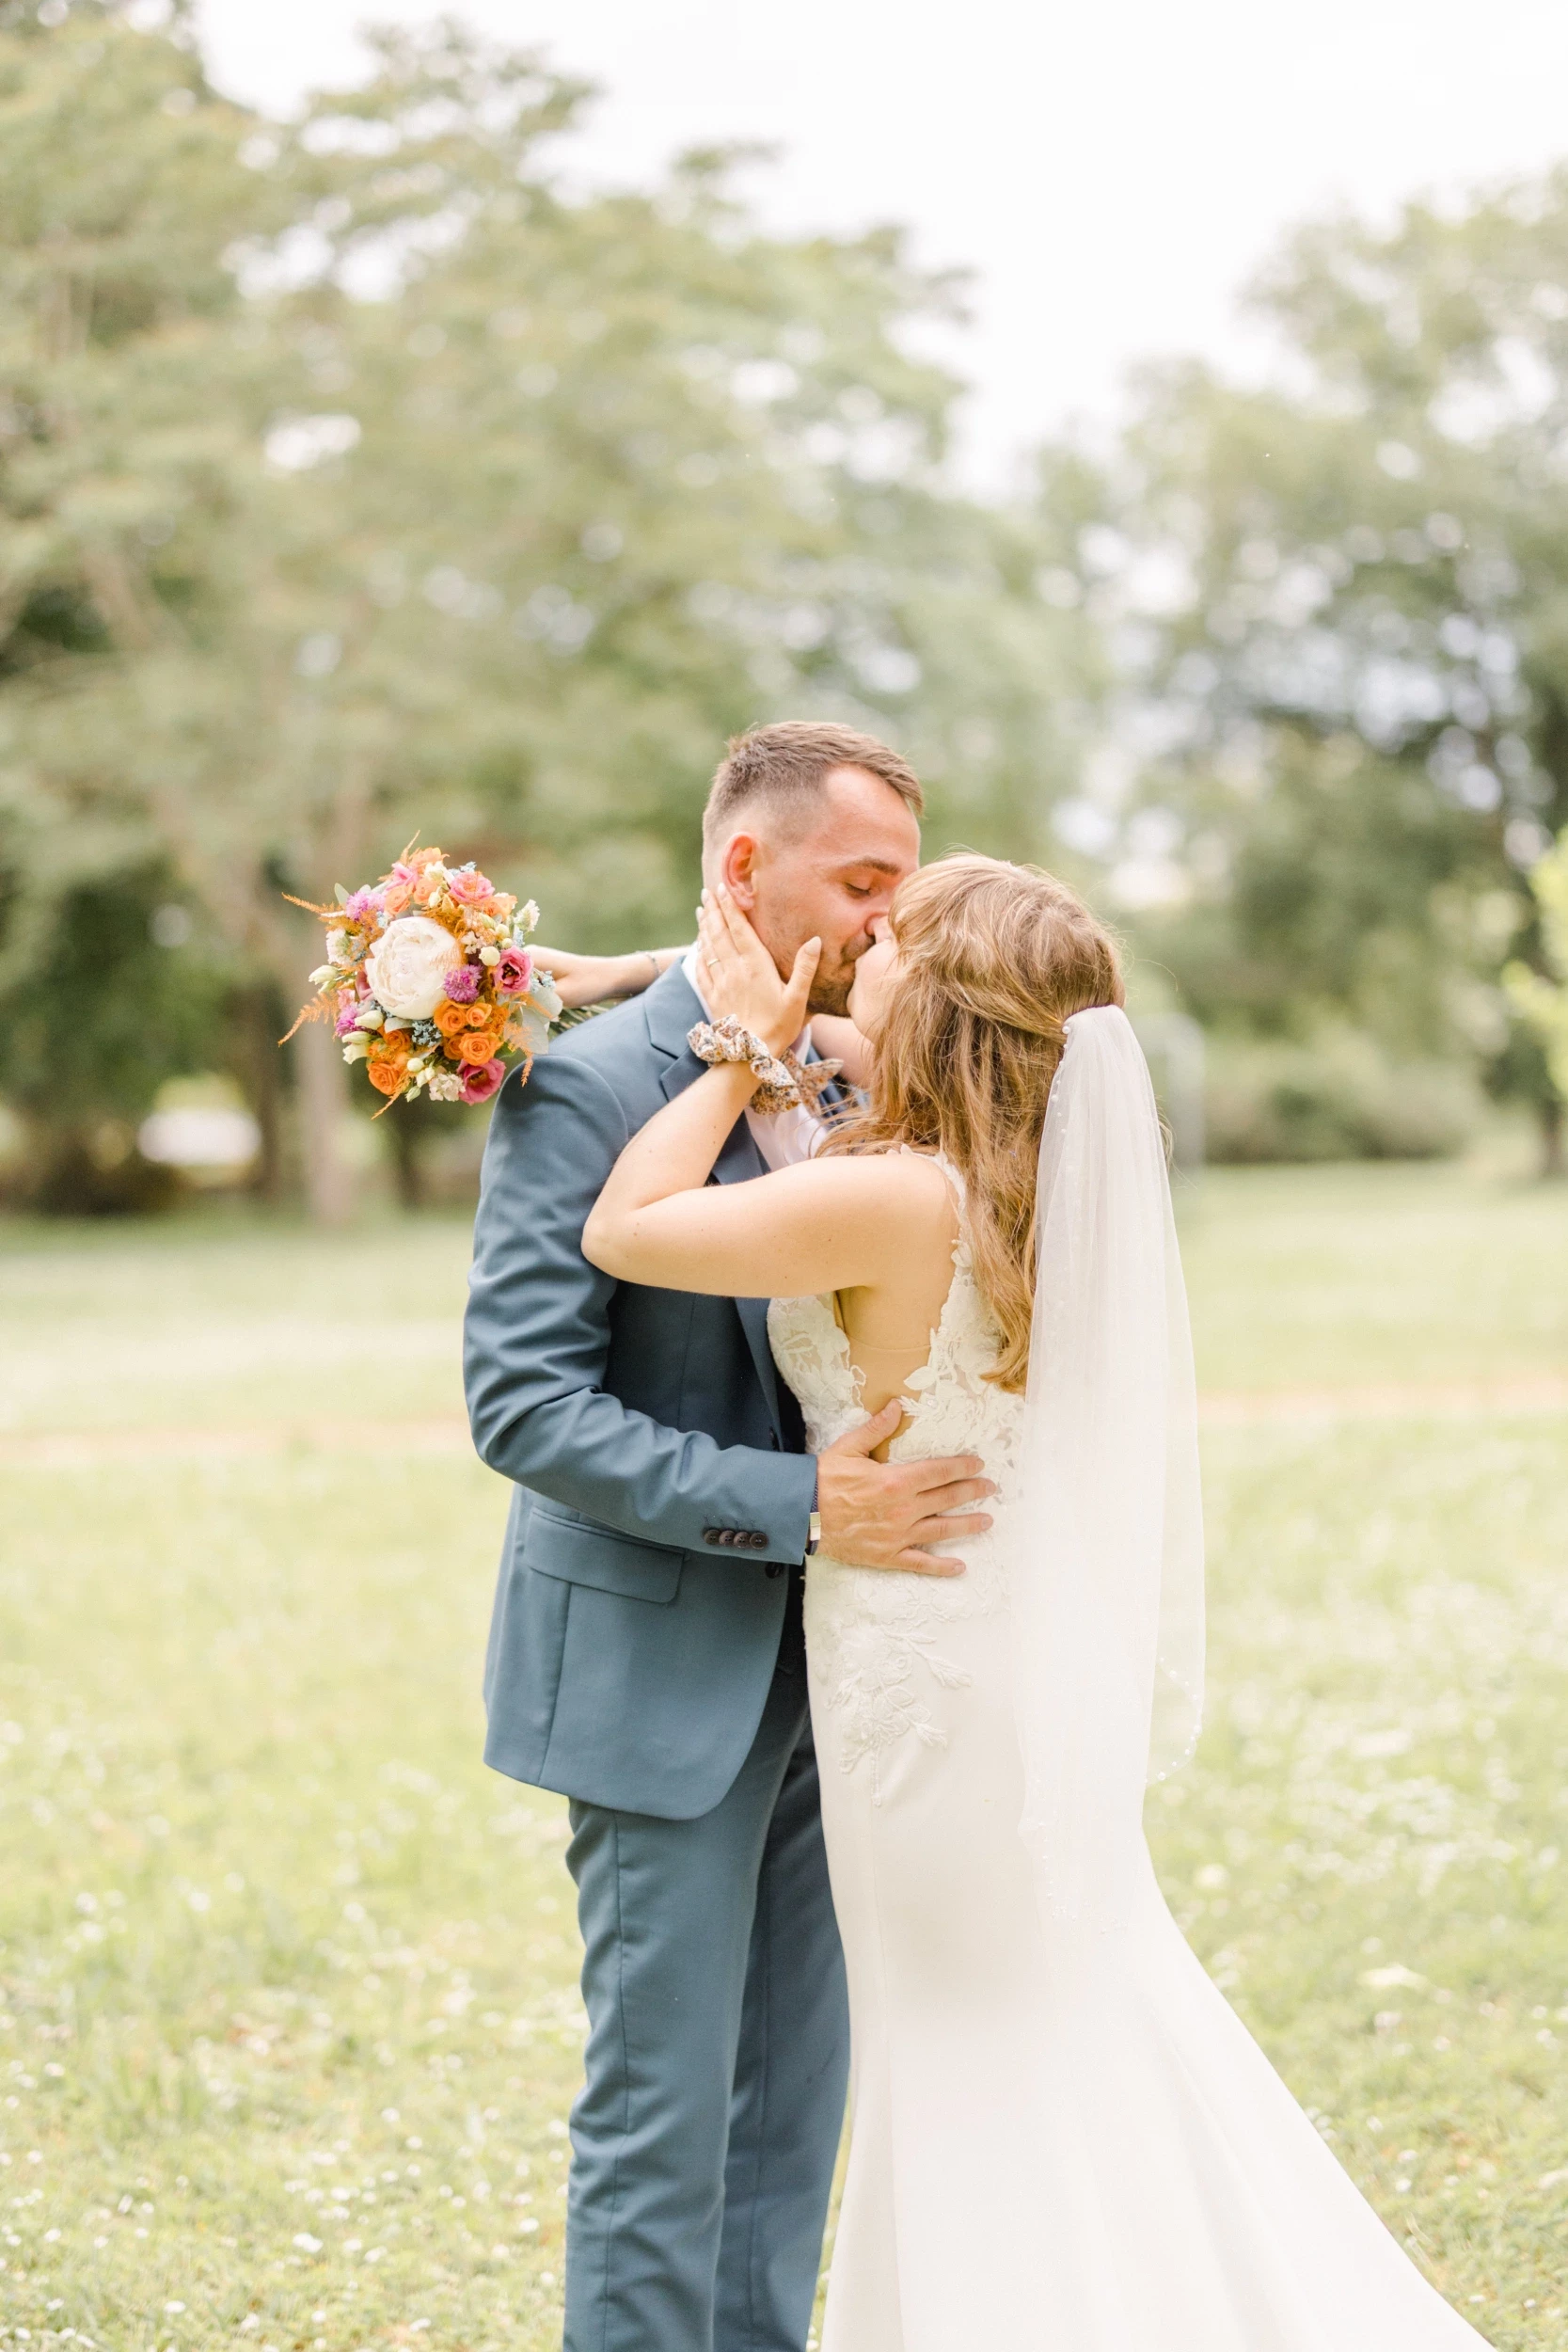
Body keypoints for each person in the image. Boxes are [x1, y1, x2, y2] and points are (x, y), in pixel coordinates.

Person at [581, 851, 1495, 2351]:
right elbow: (823, 1131)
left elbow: (629, 1226)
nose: (857, 958)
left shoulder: (885, 1198)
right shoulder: (1016, 1195)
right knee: (1060, 2016)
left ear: (931, 1006)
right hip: (995, 1657)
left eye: (888, 949)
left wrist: (741, 1045)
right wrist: (653, 986)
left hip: (919, 1688)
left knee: (957, 2055)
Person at [463, 723, 997, 2352]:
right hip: (655, 1666)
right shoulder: (584, 1079)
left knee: (788, 2127)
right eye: (862, 883)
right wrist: (799, 1506)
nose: (886, 927)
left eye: (902, 889)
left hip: (849, 1678)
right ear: (743, 872)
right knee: (661, 2125)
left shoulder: (865, 1068)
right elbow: (521, 1403)